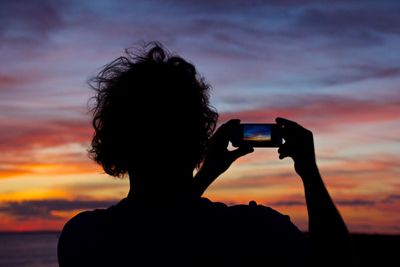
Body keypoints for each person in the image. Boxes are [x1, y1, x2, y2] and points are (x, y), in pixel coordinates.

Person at [57, 42, 354, 266]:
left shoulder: (84, 239)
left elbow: (164, 230)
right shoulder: (255, 232)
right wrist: (310, 172)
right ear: (199, 137)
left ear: (115, 142)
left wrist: (206, 173)